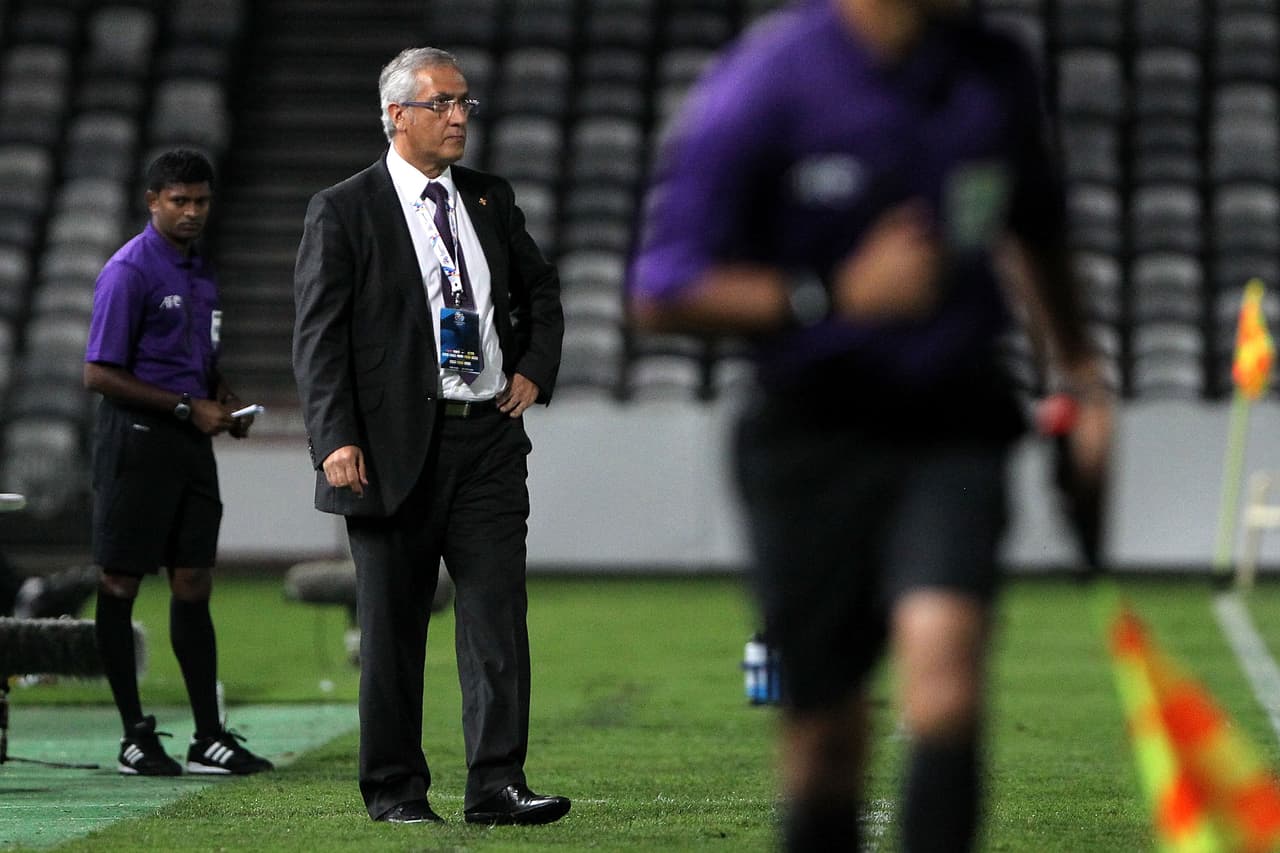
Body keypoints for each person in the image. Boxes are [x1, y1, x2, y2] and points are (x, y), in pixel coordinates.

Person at [628, 1, 1114, 850]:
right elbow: (663, 289)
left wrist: (1080, 375)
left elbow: (1036, 222)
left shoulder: (995, 70)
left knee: (947, 681)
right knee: (824, 743)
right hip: (811, 435)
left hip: (955, 424)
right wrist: (833, 296)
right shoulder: (768, 81)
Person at [292, 47, 568, 826]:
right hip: (385, 450)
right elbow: (317, 338)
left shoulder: (488, 198)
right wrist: (334, 436)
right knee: (391, 631)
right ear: (395, 116)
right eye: (442, 104)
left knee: (496, 622)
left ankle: (497, 785)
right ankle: (395, 790)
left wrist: (535, 370)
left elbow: (540, 289)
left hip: (487, 443)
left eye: (464, 104)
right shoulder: (344, 208)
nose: (458, 118)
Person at [83, 148, 273, 777]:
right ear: (152, 201)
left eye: (201, 202)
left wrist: (223, 396)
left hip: (187, 443)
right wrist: (189, 409)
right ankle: (135, 736)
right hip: (136, 443)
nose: (192, 212)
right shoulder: (128, 271)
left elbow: (196, 357)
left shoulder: (199, 270)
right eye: (179, 201)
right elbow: (98, 373)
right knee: (121, 582)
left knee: (194, 581)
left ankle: (208, 737)